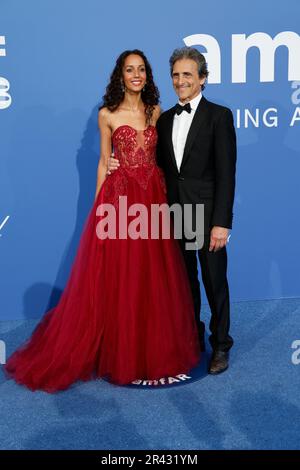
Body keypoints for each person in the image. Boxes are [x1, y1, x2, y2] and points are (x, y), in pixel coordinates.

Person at [3, 49, 200, 393]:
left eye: (141, 69)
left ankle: (149, 345)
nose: (136, 75)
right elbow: (102, 162)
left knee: (152, 275)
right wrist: (98, 209)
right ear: (120, 75)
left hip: (152, 199)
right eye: (129, 70)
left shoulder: (156, 111)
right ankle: (122, 349)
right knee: (123, 275)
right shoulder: (107, 114)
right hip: (120, 200)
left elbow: (164, 157)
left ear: (147, 74)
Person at [109, 47, 237, 374]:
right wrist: (115, 163)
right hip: (174, 215)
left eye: (188, 75)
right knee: (184, 283)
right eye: (176, 75)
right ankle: (193, 337)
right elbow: (154, 166)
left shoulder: (219, 116)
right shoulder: (163, 119)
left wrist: (221, 223)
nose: (181, 81)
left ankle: (220, 345)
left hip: (207, 217)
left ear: (203, 79)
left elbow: (226, 175)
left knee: (214, 281)